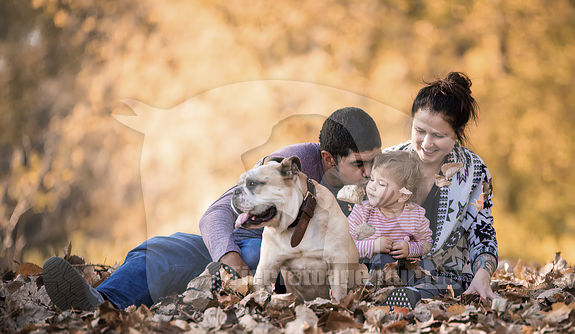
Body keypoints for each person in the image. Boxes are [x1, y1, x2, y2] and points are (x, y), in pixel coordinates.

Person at [42, 107, 382, 311]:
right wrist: (228, 259)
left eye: (374, 162)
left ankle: (208, 290)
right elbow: (217, 214)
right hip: (241, 242)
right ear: (327, 159)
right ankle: (99, 305)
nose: (369, 173)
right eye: (359, 164)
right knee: (160, 249)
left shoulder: (378, 186)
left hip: (293, 271)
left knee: (258, 258)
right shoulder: (290, 164)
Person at [380, 72, 499, 310]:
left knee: (434, 287)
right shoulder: (387, 161)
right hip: (385, 270)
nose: (426, 143)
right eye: (420, 130)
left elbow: (482, 231)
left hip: (445, 277)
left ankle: (410, 297)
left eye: (438, 135)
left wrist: (483, 274)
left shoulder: (476, 171)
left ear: (458, 131)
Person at [346, 151, 432, 273]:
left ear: (403, 195)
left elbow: (427, 244)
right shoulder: (362, 211)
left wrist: (410, 249)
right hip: (367, 268)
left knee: (426, 266)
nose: (371, 186)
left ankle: (407, 290)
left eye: (381, 184)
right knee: (380, 259)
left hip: (403, 269)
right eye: (372, 179)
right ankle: (378, 289)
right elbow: (346, 245)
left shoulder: (415, 215)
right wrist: (374, 246)